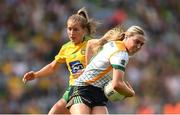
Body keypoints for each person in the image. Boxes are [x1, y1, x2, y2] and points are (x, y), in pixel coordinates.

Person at [22, 7, 99, 114]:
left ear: (84, 30)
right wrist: (35, 75)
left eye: (76, 29)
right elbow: (53, 67)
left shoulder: (92, 44)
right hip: (74, 87)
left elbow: (105, 62)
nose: (72, 33)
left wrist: (88, 71)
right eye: (69, 29)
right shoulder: (66, 48)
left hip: (91, 89)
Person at [66, 25, 147, 114]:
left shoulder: (114, 43)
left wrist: (88, 68)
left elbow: (90, 44)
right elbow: (117, 84)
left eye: (141, 44)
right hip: (82, 89)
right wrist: (131, 93)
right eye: (136, 41)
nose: (138, 46)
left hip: (99, 94)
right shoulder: (121, 53)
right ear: (127, 36)